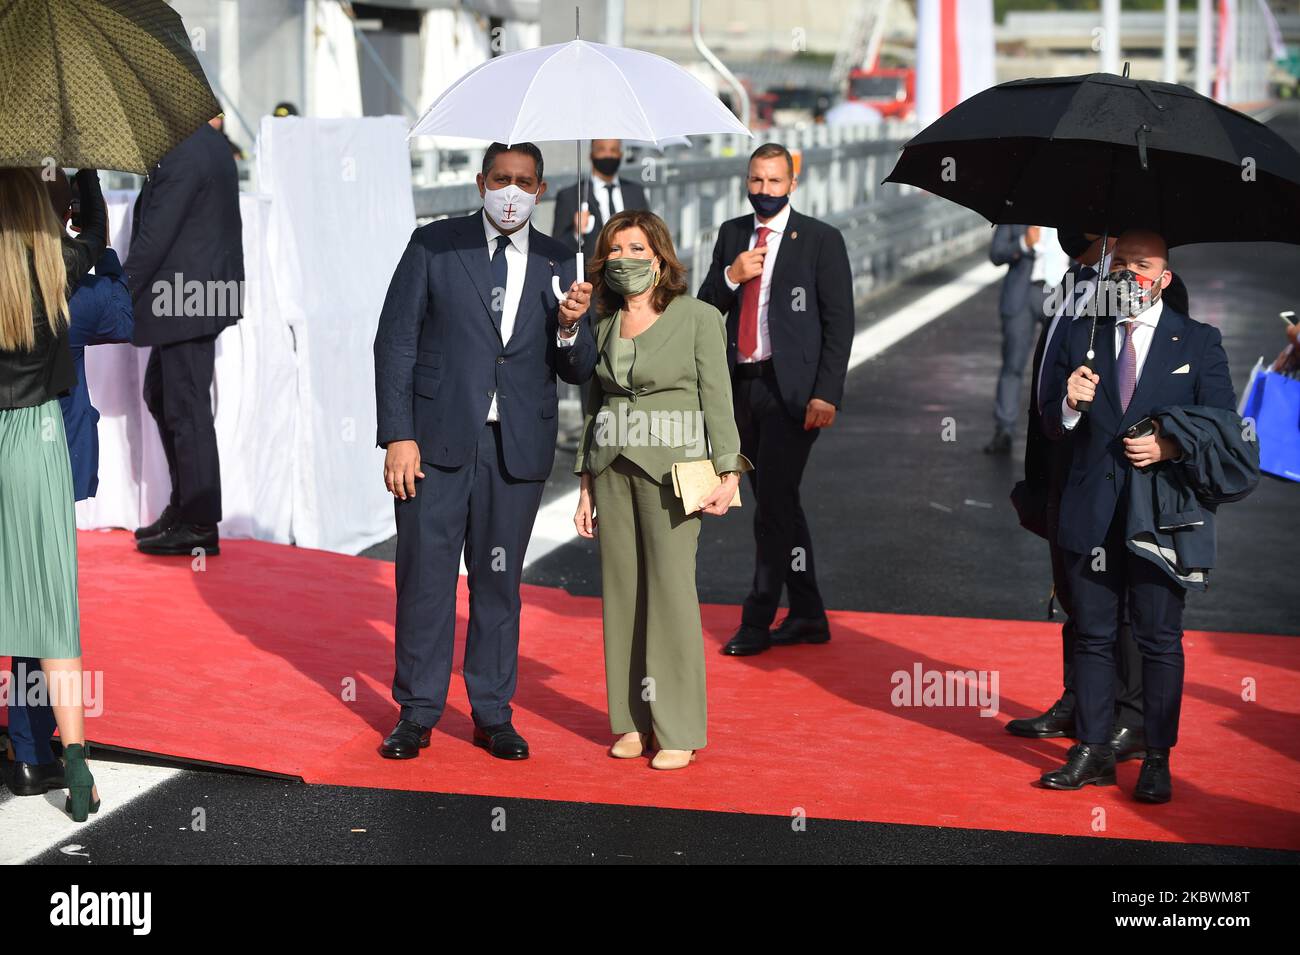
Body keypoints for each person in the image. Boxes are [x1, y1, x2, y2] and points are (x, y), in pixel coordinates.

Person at [374, 142, 597, 761]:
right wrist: (398, 434)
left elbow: (578, 370)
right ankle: (417, 712)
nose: (512, 191)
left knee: (498, 584)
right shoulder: (435, 245)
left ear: (541, 190)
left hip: (515, 449)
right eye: (501, 179)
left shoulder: (562, 259)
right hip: (436, 443)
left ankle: (493, 712)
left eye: (524, 182)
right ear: (480, 183)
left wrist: (574, 324)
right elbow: (395, 342)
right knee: (425, 578)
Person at [1039, 228, 1240, 803]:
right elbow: (1052, 426)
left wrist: (1170, 446)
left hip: (1160, 518)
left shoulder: (1198, 341)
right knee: (1095, 636)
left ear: (1165, 278)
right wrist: (1070, 406)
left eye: (1143, 265)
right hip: (1091, 513)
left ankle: (1156, 755)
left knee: (1158, 639)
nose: (1129, 274)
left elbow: (1223, 425)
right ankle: (1094, 749)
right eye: (1120, 263)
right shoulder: (1084, 331)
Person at [572, 209, 751, 771]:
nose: (625, 260)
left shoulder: (696, 316)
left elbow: (717, 397)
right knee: (622, 594)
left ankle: (677, 727)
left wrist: (730, 470)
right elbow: (593, 403)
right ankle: (630, 722)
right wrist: (585, 484)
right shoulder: (600, 323)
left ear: (660, 257)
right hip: (611, 467)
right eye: (615, 251)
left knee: (671, 594)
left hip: (674, 472)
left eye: (636, 249)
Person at [696, 142, 853, 656]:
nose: (764, 191)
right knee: (778, 502)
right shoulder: (731, 234)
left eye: (774, 182)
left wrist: (826, 393)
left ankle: (757, 619)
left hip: (794, 393)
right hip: (741, 385)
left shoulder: (821, 241)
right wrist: (730, 275)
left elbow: (839, 323)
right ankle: (808, 613)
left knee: (772, 510)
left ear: (792, 184)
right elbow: (703, 309)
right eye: (756, 181)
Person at [5, 172, 134, 801]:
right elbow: (121, 312)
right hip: (39, 446)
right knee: (44, 604)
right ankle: (45, 754)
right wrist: (93, 219)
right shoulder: (65, 283)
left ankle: (28, 750)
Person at [125, 118, 245, 557]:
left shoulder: (182, 150)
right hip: (193, 297)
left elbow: (156, 234)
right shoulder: (205, 143)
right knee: (164, 395)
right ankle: (186, 507)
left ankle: (197, 522)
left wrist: (119, 289)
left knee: (185, 407)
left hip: (187, 300)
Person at [986, 224, 1068, 455]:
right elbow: (996, 253)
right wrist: (1024, 242)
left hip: (1064, 293)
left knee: (1061, 366)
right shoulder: (1017, 213)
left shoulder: (1075, 210)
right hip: (1022, 295)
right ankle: (1004, 429)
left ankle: (1057, 430)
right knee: (1013, 364)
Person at [551, 139, 649, 261]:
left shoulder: (635, 192)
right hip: (590, 275)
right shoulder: (571, 196)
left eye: (613, 150)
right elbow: (556, 247)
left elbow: (648, 234)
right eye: (601, 149)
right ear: (591, 154)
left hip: (630, 271)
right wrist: (576, 233)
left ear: (620, 155)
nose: (608, 155)